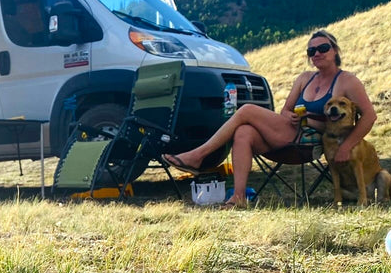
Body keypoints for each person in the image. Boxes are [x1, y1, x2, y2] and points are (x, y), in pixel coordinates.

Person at [162, 29, 378, 208]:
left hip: (309, 142)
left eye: (323, 48)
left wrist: (345, 147)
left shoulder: (348, 81)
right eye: (312, 51)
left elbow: (369, 116)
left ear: (335, 50)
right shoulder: (304, 78)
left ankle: (199, 156)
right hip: (289, 131)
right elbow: (285, 111)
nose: (317, 53)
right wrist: (290, 116)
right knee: (243, 131)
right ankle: (238, 197)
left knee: (246, 110)